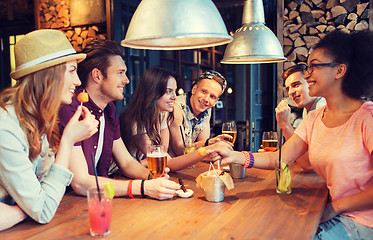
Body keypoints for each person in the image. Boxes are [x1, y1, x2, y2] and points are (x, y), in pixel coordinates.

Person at [209, 30, 373, 239]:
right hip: (337, 214)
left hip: (363, 222)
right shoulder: (314, 118)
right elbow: (281, 158)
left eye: (314, 66)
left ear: (339, 70)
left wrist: (336, 206)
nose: (307, 74)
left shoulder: (367, 117)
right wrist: (236, 156)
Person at [0, 29, 98, 229]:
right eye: (71, 71)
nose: (78, 82)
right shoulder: (6, 128)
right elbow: (44, 209)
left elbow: (43, 199)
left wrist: (30, 207)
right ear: (48, 76)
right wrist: (68, 140)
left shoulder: (37, 119)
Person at [59, 40, 180, 200]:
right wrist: (143, 187)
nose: (127, 80)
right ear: (97, 75)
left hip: (100, 200)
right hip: (68, 205)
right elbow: (80, 183)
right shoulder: (71, 108)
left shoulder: (109, 110)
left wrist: (153, 179)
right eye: (120, 73)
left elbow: (126, 163)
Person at [120, 66, 231, 171]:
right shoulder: (138, 120)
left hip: (145, 170)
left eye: (174, 91)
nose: (174, 97)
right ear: (153, 92)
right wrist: (208, 147)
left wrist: (208, 147)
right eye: (169, 91)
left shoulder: (162, 115)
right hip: (122, 176)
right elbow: (170, 158)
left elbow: (164, 158)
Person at [275, 65, 326, 171]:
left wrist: (285, 125)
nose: (290, 93)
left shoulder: (323, 108)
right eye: (288, 88)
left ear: (311, 82)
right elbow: (304, 152)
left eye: (296, 85)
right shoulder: (307, 110)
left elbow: (308, 165)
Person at [169, 70, 231, 157]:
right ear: (194, 89)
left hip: (188, 163)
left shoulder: (206, 109)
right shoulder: (176, 108)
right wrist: (208, 143)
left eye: (212, 96)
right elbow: (180, 150)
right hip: (168, 164)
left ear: (215, 102)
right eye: (204, 92)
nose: (206, 99)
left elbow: (203, 147)